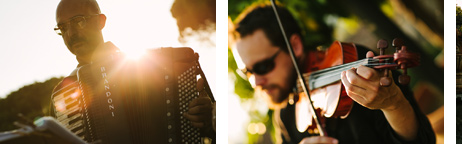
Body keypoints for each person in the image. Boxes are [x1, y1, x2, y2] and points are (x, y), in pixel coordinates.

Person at [231, 3, 433, 143]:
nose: (256, 81)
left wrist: (394, 104)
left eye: (263, 67)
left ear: (294, 46)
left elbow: (423, 140)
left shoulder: (354, 63)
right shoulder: (284, 116)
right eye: (247, 72)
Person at [50, 0, 214, 142]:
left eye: (79, 21)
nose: (70, 33)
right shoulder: (64, 94)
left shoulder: (146, 64)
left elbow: (208, 131)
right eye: (63, 27)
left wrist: (207, 121)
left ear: (101, 21)